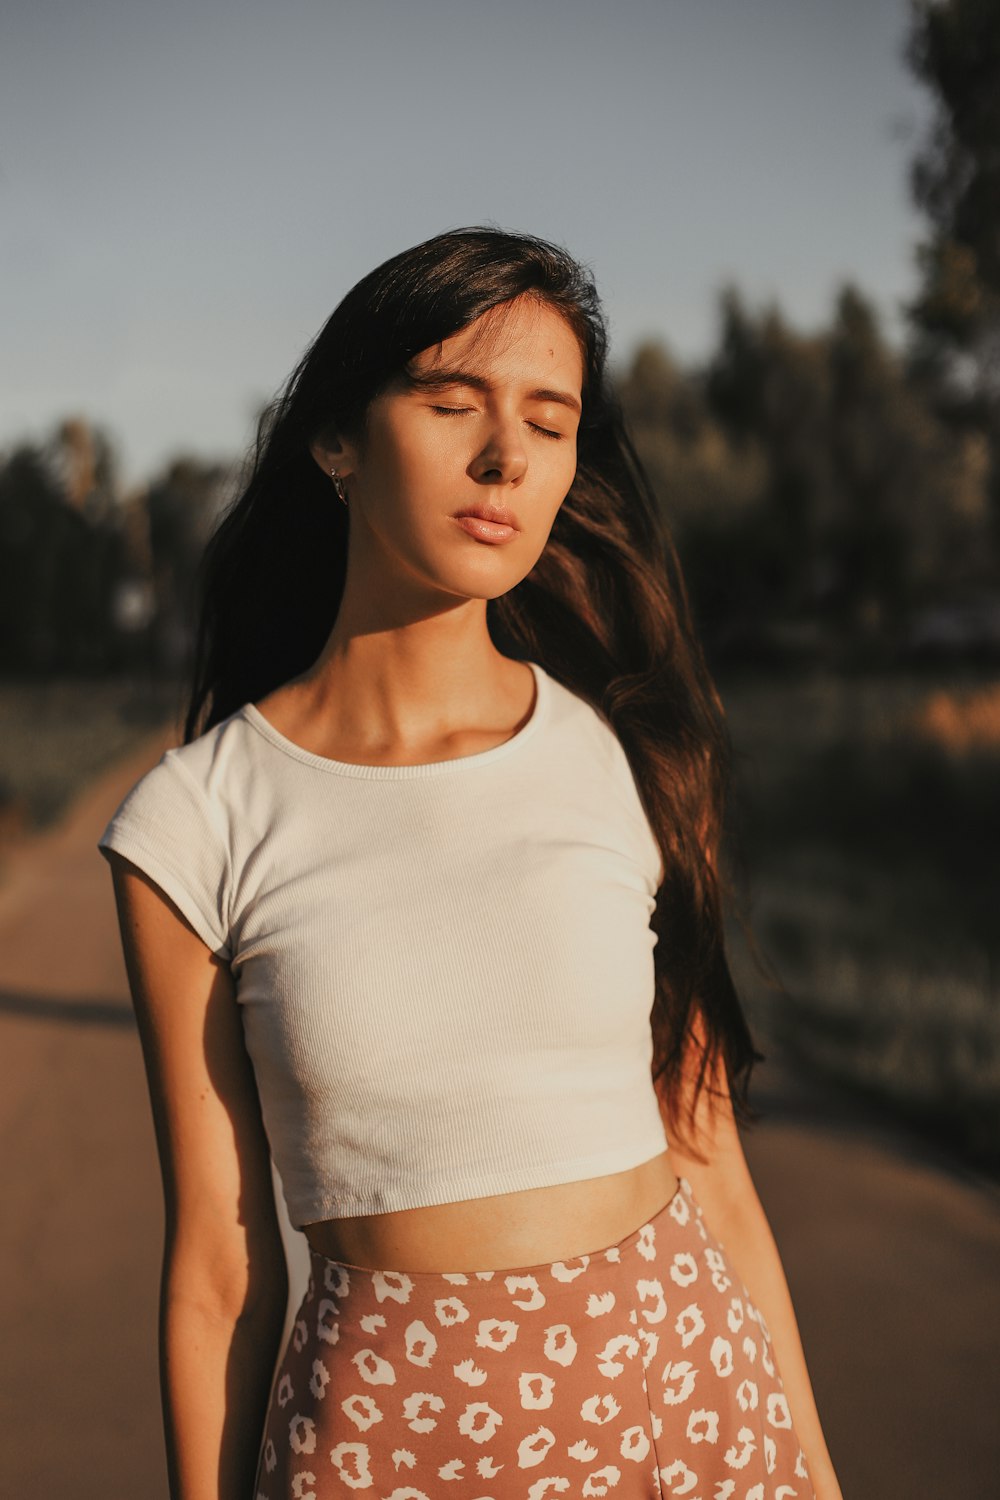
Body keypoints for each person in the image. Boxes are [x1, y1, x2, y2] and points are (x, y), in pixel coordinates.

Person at [99, 227, 842, 1500]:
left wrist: (816, 1477)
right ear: (335, 440)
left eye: (548, 422)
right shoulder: (196, 821)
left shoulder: (624, 756)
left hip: (690, 1409)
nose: (504, 457)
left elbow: (710, 1165)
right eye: (452, 403)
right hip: (388, 1449)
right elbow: (220, 1274)